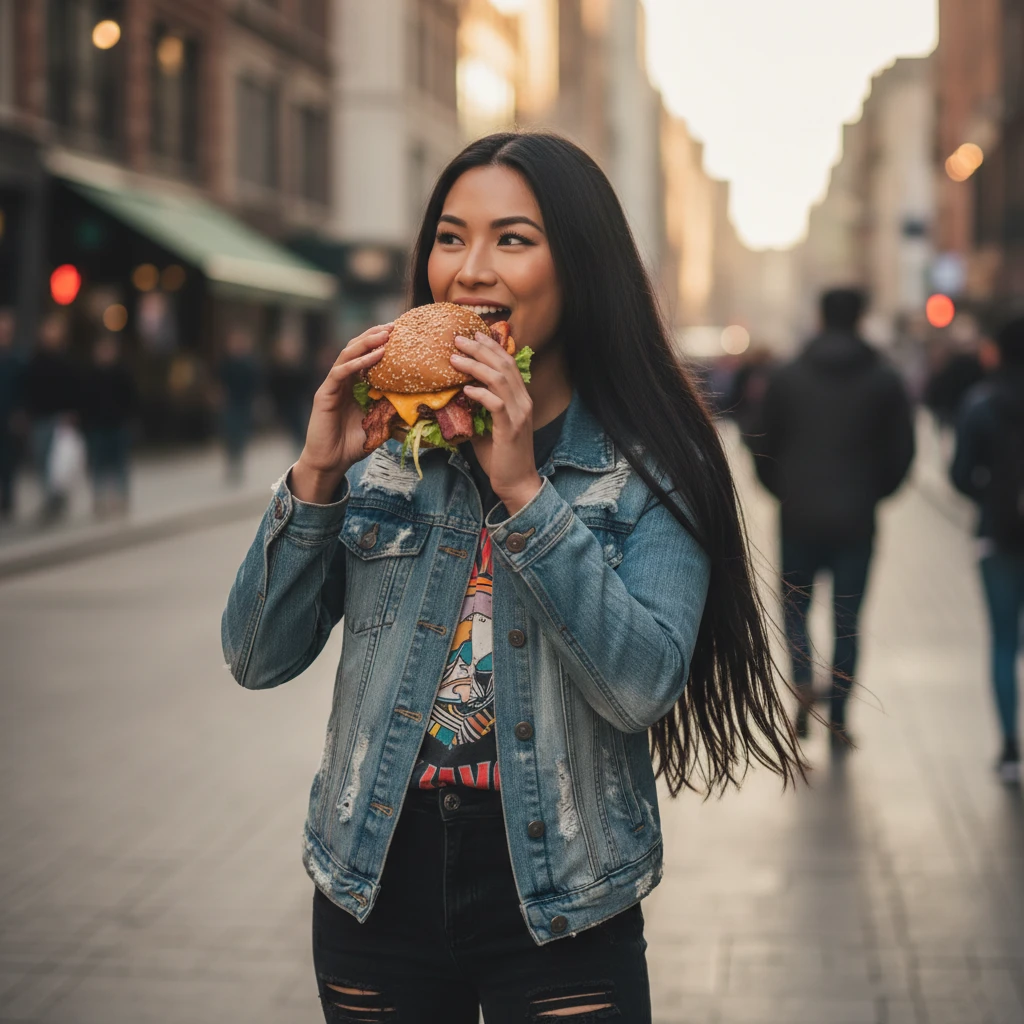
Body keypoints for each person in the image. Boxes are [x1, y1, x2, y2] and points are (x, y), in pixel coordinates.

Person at [222, 132, 806, 1023]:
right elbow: (257, 656)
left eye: (513, 240)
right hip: (373, 884)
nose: (470, 271)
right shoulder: (386, 451)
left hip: (565, 897)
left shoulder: (654, 462)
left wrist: (524, 492)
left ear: (579, 266)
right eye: (451, 238)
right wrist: (316, 479)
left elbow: (643, 686)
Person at [747, 288, 915, 744]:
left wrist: (782, 490)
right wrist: (873, 493)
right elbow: (903, 451)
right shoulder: (884, 378)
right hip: (857, 519)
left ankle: (802, 677)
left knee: (794, 606)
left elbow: (759, 440)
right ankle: (839, 718)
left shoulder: (787, 376)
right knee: (847, 618)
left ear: (820, 317)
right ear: (861, 317)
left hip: (798, 514)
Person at [951, 316, 1024, 784]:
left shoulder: (981, 404)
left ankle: (1010, 749)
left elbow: (959, 473)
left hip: (998, 535)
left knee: (1003, 641)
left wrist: (990, 494)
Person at [22, 311, 81, 522]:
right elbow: (28, 387)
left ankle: (57, 498)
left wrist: (71, 411)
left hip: (59, 417)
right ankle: (49, 498)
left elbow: (74, 389)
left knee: (59, 461)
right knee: (41, 460)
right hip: (39, 416)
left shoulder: (66, 360)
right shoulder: (35, 359)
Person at [81, 333, 137, 517]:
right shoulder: (90, 375)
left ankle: (121, 499)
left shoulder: (122, 373)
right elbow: (85, 401)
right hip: (98, 426)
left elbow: (131, 398)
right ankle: (100, 500)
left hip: (118, 425)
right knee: (98, 465)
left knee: (120, 464)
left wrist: (127, 418)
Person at [217, 327, 260, 483]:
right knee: (230, 434)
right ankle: (231, 462)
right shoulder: (226, 362)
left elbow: (256, 383)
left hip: (244, 403)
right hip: (231, 402)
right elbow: (219, 380)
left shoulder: (250, 363)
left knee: (241, 434)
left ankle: (238, 464)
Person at [267, 327, 313, 453]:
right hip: (284, 404)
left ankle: (299, 448)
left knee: (299, 428)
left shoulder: (302, 365)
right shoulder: (277, 367)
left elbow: (308, 383)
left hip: (298, 402)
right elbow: (273, 386)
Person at [0, 309, 24, 522]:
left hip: (8, 419)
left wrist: (19, 413)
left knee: (8, 463)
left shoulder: (16, 359)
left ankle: (7, 501)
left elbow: (22, 389)